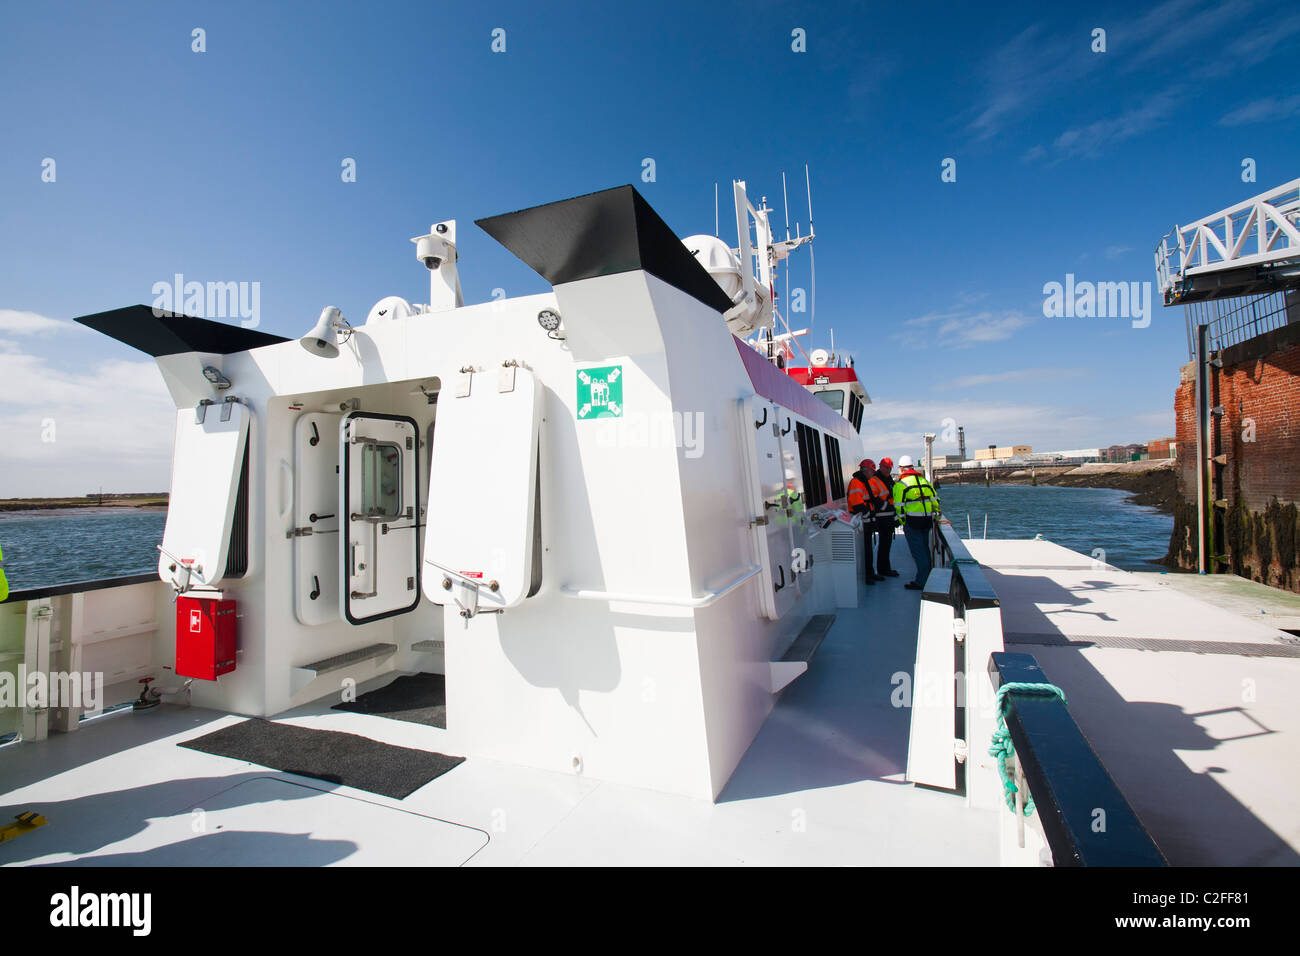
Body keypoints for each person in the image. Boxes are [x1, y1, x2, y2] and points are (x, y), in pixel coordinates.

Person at [893, 455, 941, 590]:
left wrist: (902, 521)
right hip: (926, 521)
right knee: (925, 549)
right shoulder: (924, 481)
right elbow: (935, 501)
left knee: (918, 552)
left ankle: (922, 582)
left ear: (901, 468)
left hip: (912, 522)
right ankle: (928, 577)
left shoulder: (900, 485)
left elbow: (898, 506)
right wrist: (936, 514)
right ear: (912, 467)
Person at [847, 459, 885, 585]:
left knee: (868, 549)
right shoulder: (856, 482)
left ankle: (870, 573)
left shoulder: (864, 482)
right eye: (872, 472)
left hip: (867, 521)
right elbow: (856, 503)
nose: (873, 474)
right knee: (865, 550)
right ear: (867, 470)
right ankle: (867, 575)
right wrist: (867, 513)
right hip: (862, 522)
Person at [874, 457, 899, 577]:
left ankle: (885, 568)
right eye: (886, 467)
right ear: (881, 467)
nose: (888, 470)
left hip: (888, 517)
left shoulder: (888, 479)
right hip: (881, 517)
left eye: (889, 468)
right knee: (883, 544)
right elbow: (874, 497)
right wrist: (887, 506)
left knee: (886, 544)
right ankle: (883, 569)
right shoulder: (875, 479)